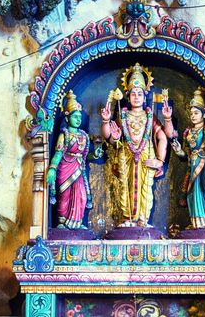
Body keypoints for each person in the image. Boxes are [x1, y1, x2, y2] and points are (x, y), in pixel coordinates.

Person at [101, 63, 171, 227]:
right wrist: (106, 121)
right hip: (126, 155)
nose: (137, 97)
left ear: (145, 95)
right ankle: (127, 219)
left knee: (146, 188)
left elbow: (163, 137)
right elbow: (110, 139)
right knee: (126, 187)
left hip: (147, 155)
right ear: (128, 95)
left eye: (140, 93)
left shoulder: (150, 116)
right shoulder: (123, 116)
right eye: (133, 94)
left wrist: (160, 160)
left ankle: (142, 220)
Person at [170, 89, 205, 229]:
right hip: (193, 165)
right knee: (192, 195)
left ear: (204, 114)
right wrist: (178, 150)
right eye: (191, 113)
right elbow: (186, 154)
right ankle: (195, 224)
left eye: (196, 113)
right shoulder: (188, 133)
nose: (193, 116)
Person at [47, 90, 92, 229]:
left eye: (79, 117)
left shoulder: (84, 136)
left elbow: (86, 155)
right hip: (65, 168)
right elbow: (58, 153)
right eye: (75, 117)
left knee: (81, 196)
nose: (78, 120)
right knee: (65, 196)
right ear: (67, 118)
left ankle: (77, 223)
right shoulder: (64, 135)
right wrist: (52, 169)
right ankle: (62, 222)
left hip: (79, 169)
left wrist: (95, 154)